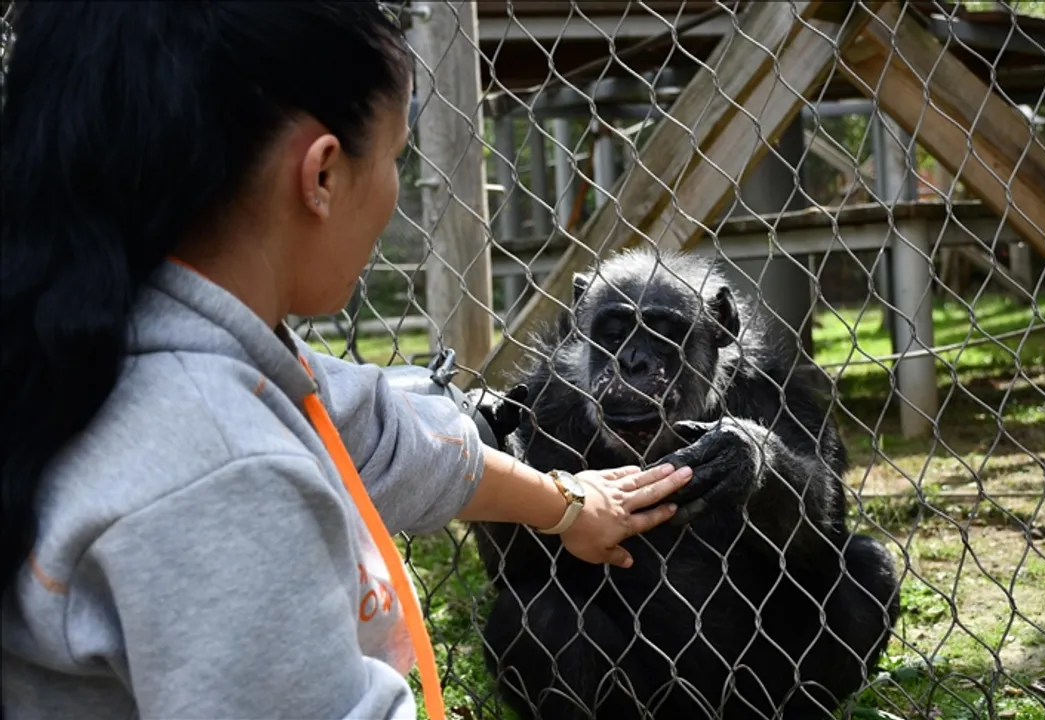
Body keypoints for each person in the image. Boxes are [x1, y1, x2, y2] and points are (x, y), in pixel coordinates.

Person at [0, 3, 693, 719]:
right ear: (322, 173)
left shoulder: (111, 339)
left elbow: (380, 436)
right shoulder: (225, 470)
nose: (395, 192)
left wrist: (567, 505)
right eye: (396, 156)